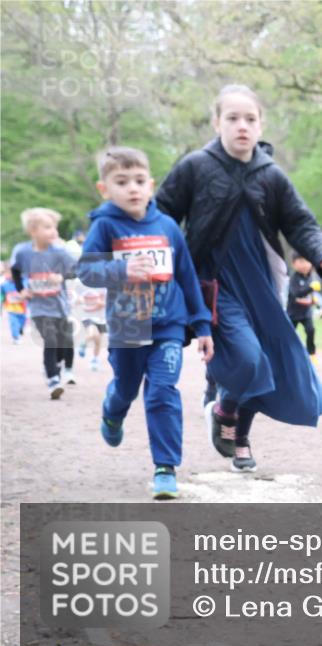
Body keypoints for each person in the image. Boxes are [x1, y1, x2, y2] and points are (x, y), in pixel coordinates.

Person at [156, 84, 322, 474]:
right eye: (233, 118)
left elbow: (300, 223)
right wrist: (154, 258)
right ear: (216, 122)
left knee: (266, 358)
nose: (242, 126)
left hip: (263, 281)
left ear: (261, 125)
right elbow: (163, 213)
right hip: (212, 283)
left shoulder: (271, 175)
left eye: (250, 119)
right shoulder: (195, 166)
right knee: (249, 356)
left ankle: (237, 434)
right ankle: (223, 409)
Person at [78, 146, 214, 500]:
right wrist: (121, 269)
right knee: (126, 387)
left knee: (162, 392)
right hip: (128, 324)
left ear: (151, 184)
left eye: (139, 181)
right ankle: (113, 411)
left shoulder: (167, 226)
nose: (132, 188)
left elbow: (186, 276)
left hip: (168, 324)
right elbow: (87, 271)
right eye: (121, 182)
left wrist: (201, 325)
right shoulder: (105, 225)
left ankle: (165, 468)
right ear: (104, 188)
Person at [11, 208, 77, 398]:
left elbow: (76, 270)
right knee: (50, 340)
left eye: (54, 227)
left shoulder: (60, 252)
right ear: (33, 230)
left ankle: (55, 365)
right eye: (48, 227)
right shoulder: (23, 252)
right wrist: (21, 290)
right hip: (39, 308)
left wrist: (61, 276)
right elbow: (15, 270)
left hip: (60, 306)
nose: (54, 231)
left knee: (63, 346)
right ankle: (53, 380)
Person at [71, 277, 107, 371]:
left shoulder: (105, 285)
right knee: (92, 334)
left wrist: (101, 303)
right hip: (88, 316)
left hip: (102, 317)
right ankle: (83, 344)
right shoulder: (82, 284)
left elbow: (108, 301)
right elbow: (76, 299)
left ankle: (95, 360)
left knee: (98, 341)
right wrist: (79, 301)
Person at [287, 252, 318, 361]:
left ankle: (311, 354)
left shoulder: (311, 277)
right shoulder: (293, 278)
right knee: (289, 335)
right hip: (293, 313)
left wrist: (315, 300)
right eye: (301, 261)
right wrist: (310, 288)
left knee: (311, 330)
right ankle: (289, 354)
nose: (305, 264)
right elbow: (296, 293)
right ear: (294, 264)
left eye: (307, 261)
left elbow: (310, 296)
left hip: (306, 313)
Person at [1, 263, 28, 345]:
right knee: (13, 322)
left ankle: (20, 329)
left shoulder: (24, 281)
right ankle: (15, 337)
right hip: (11, 308)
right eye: (8, 273)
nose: (10, 275)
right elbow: (1, 296)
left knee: (23, 321)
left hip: (23, 308)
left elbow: (29, 291)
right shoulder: (4, 285)